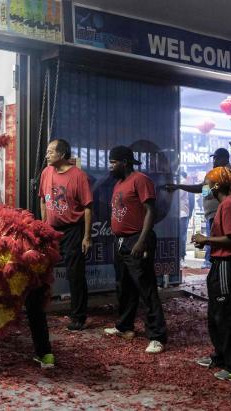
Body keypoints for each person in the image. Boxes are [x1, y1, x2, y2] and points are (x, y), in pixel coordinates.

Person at [104, 145, 167, 354]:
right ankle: (125, 327)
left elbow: (150, 211)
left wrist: (142, 240)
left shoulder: (140, 180)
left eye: (113, 163)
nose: (110, 167)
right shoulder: (119, 184)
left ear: (124, 162)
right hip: (121, 241)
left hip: (137, 239)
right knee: (124, 286)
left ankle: (157, 336)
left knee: (146, 288)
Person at [192, 166, 231, 381]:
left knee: (230, 315)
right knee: (218, 314)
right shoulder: (225, 205)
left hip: (229, 265)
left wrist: (206, 240)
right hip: (222, 264)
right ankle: (222, 356)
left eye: (207, 184)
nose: (205, 188)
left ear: (216, 186)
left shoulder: (228, 206)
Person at [39, 139, 93, 330]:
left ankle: (78, 317)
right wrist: (43, 224)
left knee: (75, 274)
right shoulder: (46, 173)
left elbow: (87, 207)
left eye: (51, 151)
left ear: (62, 154)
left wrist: (87, 237)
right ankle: (38, 310)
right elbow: (43, 201)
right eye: (47, 151)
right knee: (41, 270)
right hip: (51, 230)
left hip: (72, 231)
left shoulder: (78, 176)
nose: (47, 155)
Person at [166, 148, 231, 269]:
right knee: (215, 242)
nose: (214, 161)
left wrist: (206, 240)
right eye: (213, 158)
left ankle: (214, 264)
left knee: (219, 242)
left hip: (220, 213)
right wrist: (179, 186)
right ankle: (213, 263)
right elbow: (203, 190)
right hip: (213, 214)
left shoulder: (228, 175)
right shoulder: (216, 174)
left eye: (216, 158)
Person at [179, 170, 191, 265]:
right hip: (181, 214)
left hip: (182, 213)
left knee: (181, 237)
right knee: (181, 236)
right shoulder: (182, 182)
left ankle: (181, 257)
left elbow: (178, 196)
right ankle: (180, 257)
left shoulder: (183, 182)